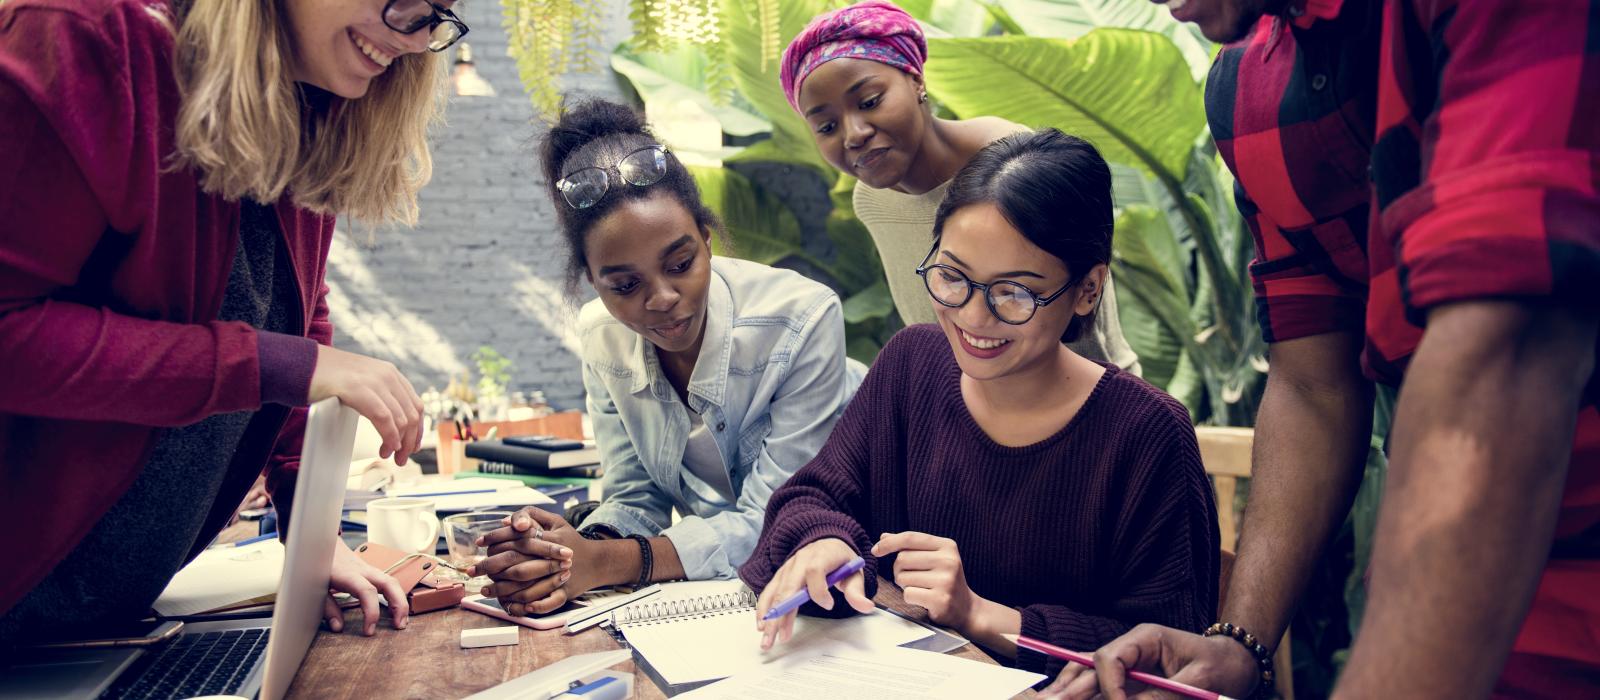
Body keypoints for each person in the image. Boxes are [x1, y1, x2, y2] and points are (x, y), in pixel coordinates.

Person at [1045, 0, 1600, 698]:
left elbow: (1508, 351)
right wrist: (1239, 641)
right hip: (1457, 612)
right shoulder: (1247, 92)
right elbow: (1315, 384)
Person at [0, 0, 461, 643]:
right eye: (403, 2)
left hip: (90, 626)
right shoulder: (87, 39)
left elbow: (296, 316)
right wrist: (278, 364)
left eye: (436, 14)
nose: (413, 38)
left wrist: (311, 532)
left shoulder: (312, 100)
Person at [740, 128, 1219, 681]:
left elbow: (1173, 650)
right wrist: (823, 541)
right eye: (952, 276)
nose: (972, 316)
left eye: (1014, 292)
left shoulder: (1147, 433)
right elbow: (814, 494)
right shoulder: (912, 364)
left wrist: (981, 614)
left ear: (1088, 289)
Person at [471, 99, 866, 617]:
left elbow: (779, 519)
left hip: (844, 573)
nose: (660, 298)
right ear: (593, 280)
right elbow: (636, 495)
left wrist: (608, 562)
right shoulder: (601, 336)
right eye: (625, 284)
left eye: (681, 263)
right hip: (721, 594)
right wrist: (566, 553)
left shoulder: (801, 318)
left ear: (707, 239)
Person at [782, 0, 1140, 374]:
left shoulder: (1018, 163)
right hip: (978, 411)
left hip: (1095, 398)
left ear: (916, 80)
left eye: (870, 101)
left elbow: (1087, 320)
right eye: (826, 127)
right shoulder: (871, 200)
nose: (854, 134)